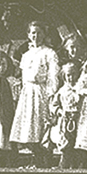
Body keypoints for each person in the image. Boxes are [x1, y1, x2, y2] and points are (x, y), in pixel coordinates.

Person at [8, 22, 61, 164]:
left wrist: (51, 97)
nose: (35, 36)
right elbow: (24, 78)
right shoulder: (26, 55)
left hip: (41, 92)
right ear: (28, 35)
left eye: (38, 32)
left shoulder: (49, 53)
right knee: (27, 131)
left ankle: (45, 161)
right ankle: (37, 160)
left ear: (43, 34)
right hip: (27, 94)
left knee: (42, 130)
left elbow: (53, 77)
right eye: (32, 33)